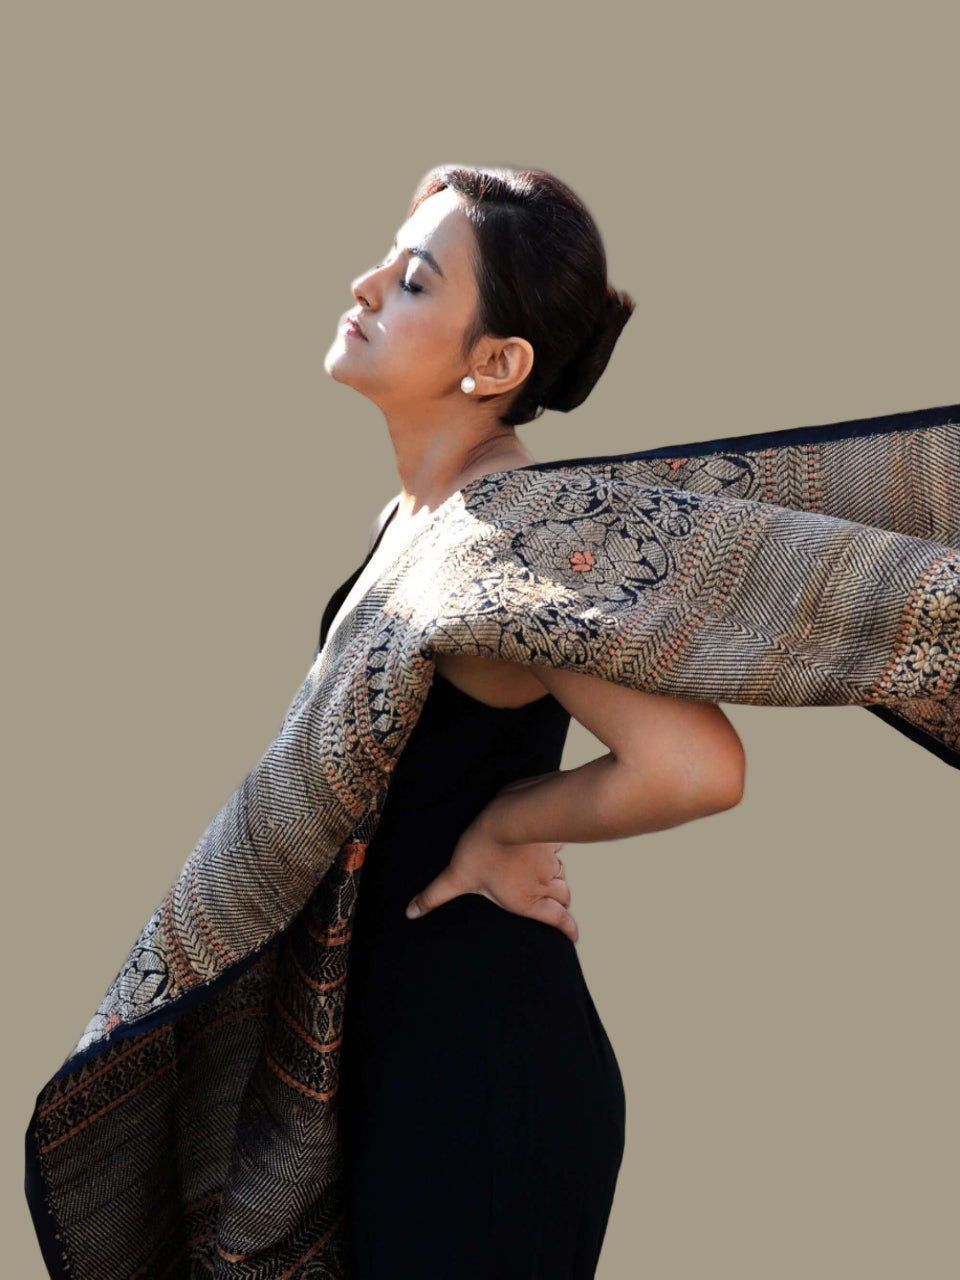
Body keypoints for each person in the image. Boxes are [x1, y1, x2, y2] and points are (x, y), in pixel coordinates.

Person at [321, 164, 747, 1277]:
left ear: (496, 363)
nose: (364, 286)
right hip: (407, 1053)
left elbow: (696, 761)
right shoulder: (424, 514)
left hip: (480, 1083)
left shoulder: (515, 532)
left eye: (411, 280)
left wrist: (509, 824)